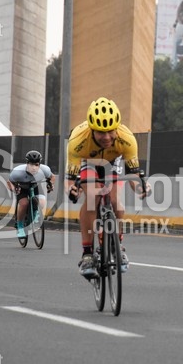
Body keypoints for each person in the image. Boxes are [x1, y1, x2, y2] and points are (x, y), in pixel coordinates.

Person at [66, 97, 151, 279]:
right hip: (88, 162)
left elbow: (133, 175)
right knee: (92, 198)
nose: (106, 137)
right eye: (100, 133)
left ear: (117, 128)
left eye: (110, 131)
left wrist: (140, 188)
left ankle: (117, 246)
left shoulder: (127, 139)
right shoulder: (78, 140)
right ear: (92, 130)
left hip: (113, 162)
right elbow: (71, 180)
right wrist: (72, 190)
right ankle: (87, 254)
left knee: (115, 202)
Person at [7, 150, 55, 238]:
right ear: (27, 163)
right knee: (24, 203)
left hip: (35, 186)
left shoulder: (45, 169)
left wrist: (50, 184)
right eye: (31, 164)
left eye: (36, 165)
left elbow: (52, 177)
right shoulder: (18, 171)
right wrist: (14, 189)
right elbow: (9, 182)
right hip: (22, 188)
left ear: (39, 164)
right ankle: (20, 226)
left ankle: (35, 214)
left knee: (42, 201)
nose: (34, 168)